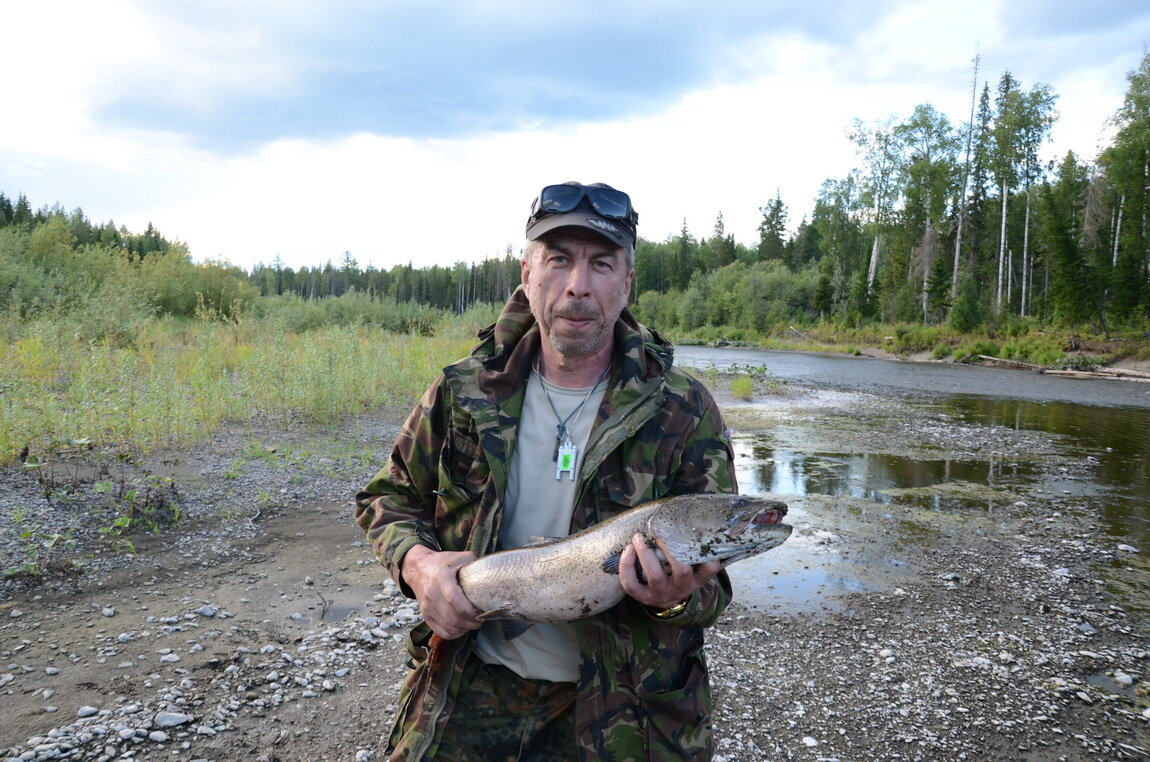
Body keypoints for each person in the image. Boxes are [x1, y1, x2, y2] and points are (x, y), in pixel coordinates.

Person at [355, 181, 738, 761]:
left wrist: (675, 598)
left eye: (601, 264)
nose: (578, 286)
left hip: (627, 710)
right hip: (471, 685)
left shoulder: (683, 409)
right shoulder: (461, 393)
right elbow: (386, 500)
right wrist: (420, 566)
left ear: (627, 282)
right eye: (559, 260)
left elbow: (715, 587)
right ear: (528, 274)